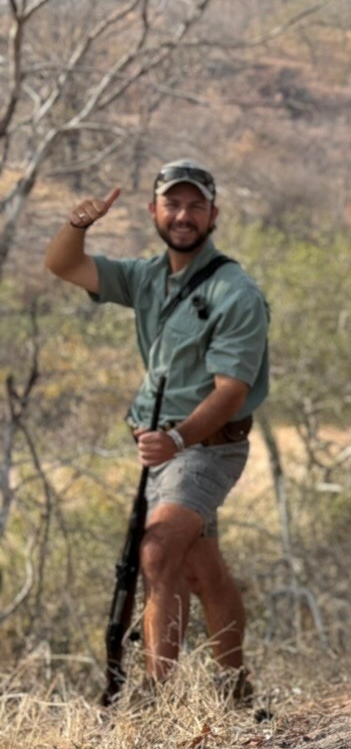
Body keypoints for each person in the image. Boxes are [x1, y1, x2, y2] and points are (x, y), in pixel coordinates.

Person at [45, 160, 270, 700]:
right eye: (173, 204)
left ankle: (158, 698)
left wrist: (176, 440)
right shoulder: (147, 276)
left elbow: (231, 391)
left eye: (195, 206)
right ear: (154, 211)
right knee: (199, 568)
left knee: (157, 549)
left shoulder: (235, 291)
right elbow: (64, 265)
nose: (183, 215)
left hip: (206, 448)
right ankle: (236, 688)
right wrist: (78, 224)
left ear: (213, 215)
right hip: (161, 451)